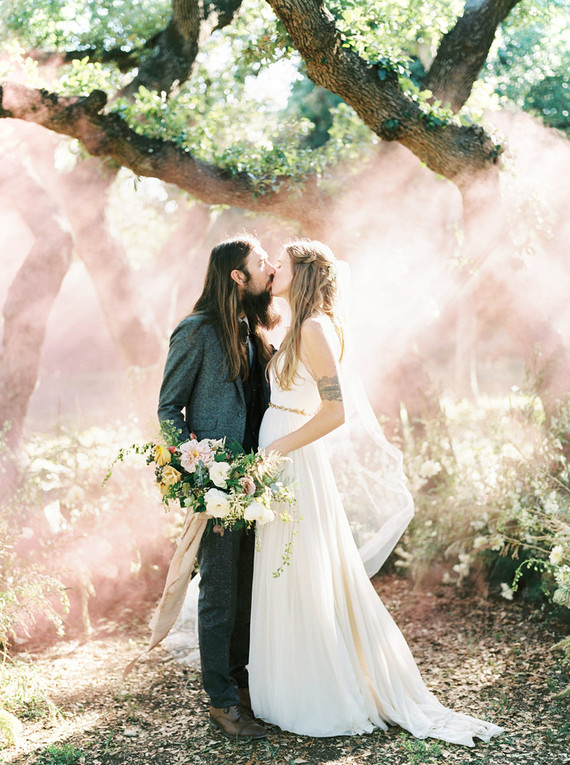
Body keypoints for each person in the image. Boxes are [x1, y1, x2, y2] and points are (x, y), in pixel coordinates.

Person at [248, 240, 504, 745]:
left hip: (293, 461)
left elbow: (335, 411)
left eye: (283, 262)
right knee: (282, 568)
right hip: (278, 459)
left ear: (302, 274)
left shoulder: (315, 329)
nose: (274, 267)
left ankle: (321, 690)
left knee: (300, 568)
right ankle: (285, 686)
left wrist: (276, 450)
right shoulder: (291, 326)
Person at [157, 234, 277, 740]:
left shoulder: (254, 330)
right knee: (221, 594)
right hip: (219, 486)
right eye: (261, 262)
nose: (270, 268)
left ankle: (248, 689)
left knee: (253, 591)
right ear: (236, 276)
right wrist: (199, 471)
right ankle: (222, 702)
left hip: (260, 484)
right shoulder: (196, 330)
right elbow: (168, 410)